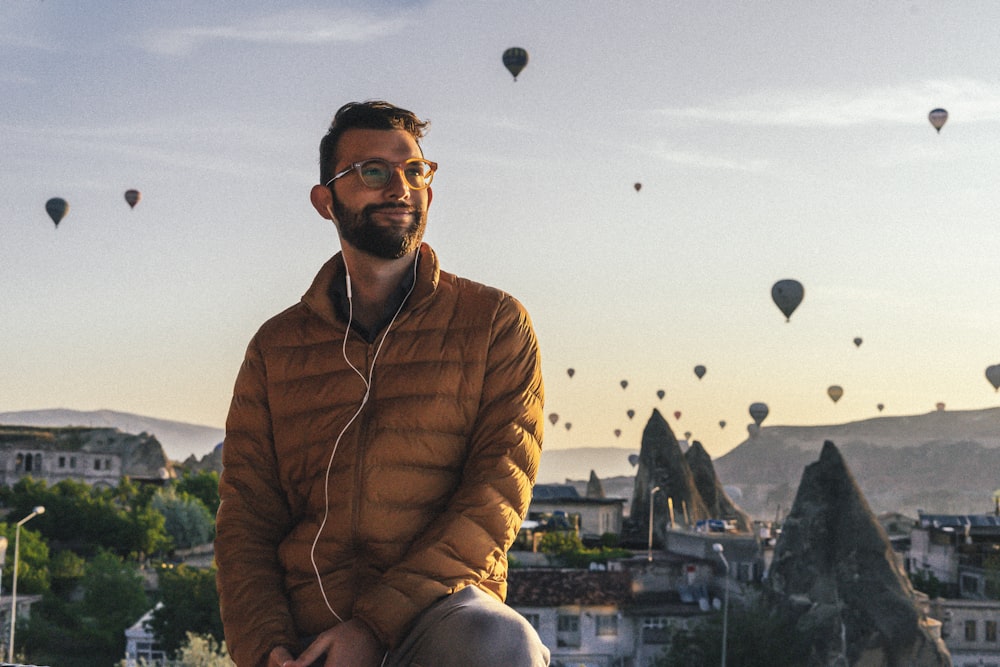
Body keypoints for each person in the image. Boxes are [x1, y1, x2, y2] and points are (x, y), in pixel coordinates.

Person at [215, 101, 548, 667]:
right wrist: (266, 648)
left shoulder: (493, 322)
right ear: (326, 201)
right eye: (373, 171)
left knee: (504, 643)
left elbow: (495, 498)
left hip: (440, 617)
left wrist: (373, 627)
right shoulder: (276, 347)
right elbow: (246, 520)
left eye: (415, 171)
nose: (400, 187)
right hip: (306, 631)